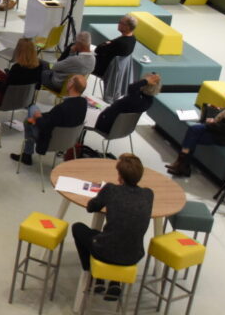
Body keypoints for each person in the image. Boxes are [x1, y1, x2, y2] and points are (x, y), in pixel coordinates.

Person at [72, 154, 153, 301]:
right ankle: (115, 283)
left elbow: (91, 207)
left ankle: (93, 276)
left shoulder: (111, 189)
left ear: (120, 176)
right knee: (120, 234)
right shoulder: (148, 194)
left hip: (105, 250)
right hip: (133, 255)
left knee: (78, 228)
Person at [167, 81, 225, 177]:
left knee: (194, 131)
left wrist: (212, 124)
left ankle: (181, 163)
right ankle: (182, 165)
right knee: (193, 134)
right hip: (217, 129)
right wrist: (216, 112)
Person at [13, 75, 88, 166]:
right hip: (68, 142)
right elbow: (53, 118)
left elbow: (45, 126)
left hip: (49, 140)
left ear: (71, 85)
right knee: (34, 116)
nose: (67, 82)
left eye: (69, 80)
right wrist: (42, 116)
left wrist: (38, 117)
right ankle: (27, 154)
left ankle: (27, 155)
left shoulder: (61, 108)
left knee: (30, 114)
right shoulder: (83, 103)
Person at [93, 73, 161, 135]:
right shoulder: (148, 102)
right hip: (123, 129)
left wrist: (145, 81)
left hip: (106, 125)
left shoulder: (135, 98)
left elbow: (131, 88)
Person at [0, 37, 43, 105]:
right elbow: (38, 86)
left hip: (9, 100)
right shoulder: (39, 65)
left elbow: (5, 90)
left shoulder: (17, 68)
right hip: (27, 99)